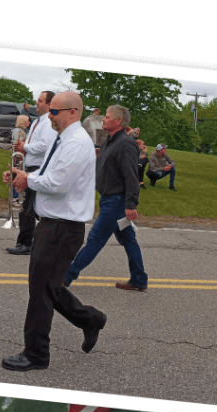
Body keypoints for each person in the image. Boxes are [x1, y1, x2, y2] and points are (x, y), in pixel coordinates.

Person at [1, 90, 108, 370]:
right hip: (52, 224)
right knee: (49, 288)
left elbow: (59, 183)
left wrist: (29, 180)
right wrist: (24, 177)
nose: (50, 115)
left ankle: (36, 354)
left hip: (63, 227)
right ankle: (91, 319)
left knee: (40, 292)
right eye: (50, 110)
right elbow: (48, 175)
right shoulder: (63, 139)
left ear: (73, 112)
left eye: (55, 111)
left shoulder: (76, 143)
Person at [63, 104, 148, 293]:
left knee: (94, 239)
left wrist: (131, 204)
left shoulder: (125, 144)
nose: (103, 119)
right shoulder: (111, 141)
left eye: (107, 117)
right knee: (128, 239)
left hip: (116, 203)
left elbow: (131, 177)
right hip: (110, 200)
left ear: (118, 121)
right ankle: (139, 279)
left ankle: (65, 278)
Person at [5, 91, 56, 256]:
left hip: (39, 168)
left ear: (49, 105)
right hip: (31, 167)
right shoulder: (36, 122)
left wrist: (24, 148)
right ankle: (47, 241)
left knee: (28, 208)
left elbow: (45, 145)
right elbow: (32, 143)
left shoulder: (48, 122)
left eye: (40, 101)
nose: (37, 103)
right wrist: (22, 146)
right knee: (33, 208)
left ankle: (26, 243)